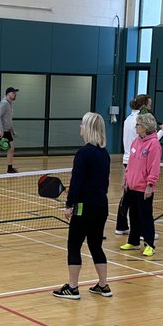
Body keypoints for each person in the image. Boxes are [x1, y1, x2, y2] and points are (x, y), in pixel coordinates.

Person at [53, 113, 112, 300]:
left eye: (82, 124)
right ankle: (103, 286)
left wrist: (69, 205)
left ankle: (72, 287)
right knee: (96, 245)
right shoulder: (105, 154)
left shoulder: (83, 153)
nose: (80, 127)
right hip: (101, 206)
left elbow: (77, 182)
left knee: (74, 245)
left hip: (83, 207)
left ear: (88, 128)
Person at [114, 94, 163, 235]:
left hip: (129, 159)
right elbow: (150, 142)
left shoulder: (127, 119)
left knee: (127, 198)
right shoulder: (140, 122)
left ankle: (122, 226)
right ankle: (144, 231)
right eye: (149, 105)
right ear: (144, 106)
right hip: (136, 161)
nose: (150, 108)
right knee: (139, 201)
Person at [120, 112, 161, 257]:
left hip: (144, 188)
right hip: (131, 185)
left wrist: (150, 185)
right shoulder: (136, 142)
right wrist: (126, 180)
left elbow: (154, 166)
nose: (136, 127)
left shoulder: (154, 144)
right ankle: (133, 241)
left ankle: (149, 244)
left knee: (145, 216)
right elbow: (130, 164)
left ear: (145, 127)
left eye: (138, 125)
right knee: (133, 215)